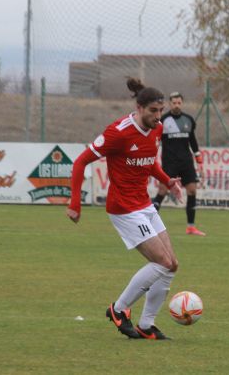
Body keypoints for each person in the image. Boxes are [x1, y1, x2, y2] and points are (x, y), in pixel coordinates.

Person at [67, 78, 182, 340]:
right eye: (153, 110)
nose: (158, 116)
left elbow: (149, 160)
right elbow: (80, 162)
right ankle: (119, 309)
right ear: (139, 108)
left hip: (144, 204)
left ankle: (146, 325)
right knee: (162, 262)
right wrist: (75, 203)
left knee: (171, 265)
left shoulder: (157, 129)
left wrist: (166, 180)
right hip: (123, 208)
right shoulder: (117, 132)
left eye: (160, 110)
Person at [151, 91, 205, 236]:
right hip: (169, 162)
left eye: (179, 102)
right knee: (162, 191)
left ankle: (191, 227)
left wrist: (198, 156)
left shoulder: (188, 120)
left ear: (182, 103)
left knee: (192, 190)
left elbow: (192, 140)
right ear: (170, 104)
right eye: (174, 103)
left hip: (186, 162)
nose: (176, 105)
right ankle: (148, 223)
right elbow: (154, 140)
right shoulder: (162, 120)